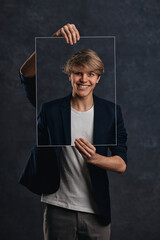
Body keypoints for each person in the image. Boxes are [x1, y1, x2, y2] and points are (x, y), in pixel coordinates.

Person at [19, 23, 127, 240]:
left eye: (91, 74)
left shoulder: (111, 112)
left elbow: (121, 164)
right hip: (58, 207)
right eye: (78, 73)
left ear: (98, 78)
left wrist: (96, 158)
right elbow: (26, 75)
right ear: (69, 75)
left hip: (97, 210)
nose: (84, 79)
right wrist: (51, 42)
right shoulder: (49, 110)